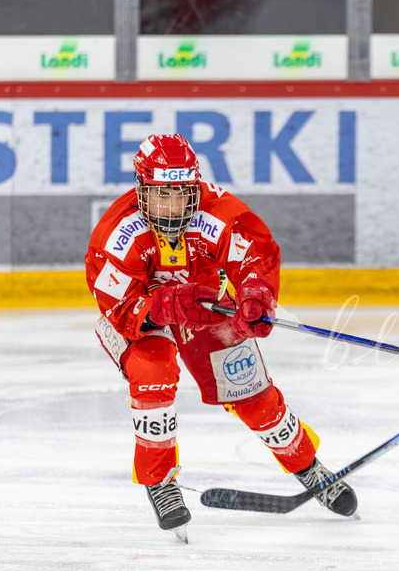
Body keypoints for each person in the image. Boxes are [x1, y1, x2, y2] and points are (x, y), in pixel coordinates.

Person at [85, 133, 356, 540]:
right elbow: (117, 307)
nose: (173, 207)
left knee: (252, 394)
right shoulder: (116, 233)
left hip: (206, 307)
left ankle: (307, 465)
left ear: (195, 187)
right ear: (141, 189)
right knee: (153, 373)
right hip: (140, 319)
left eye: (182, 194)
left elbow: (255, 256)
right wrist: (162, 306)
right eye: (162, 195)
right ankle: (160, 482)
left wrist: (255, 295)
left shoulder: (219, 212)